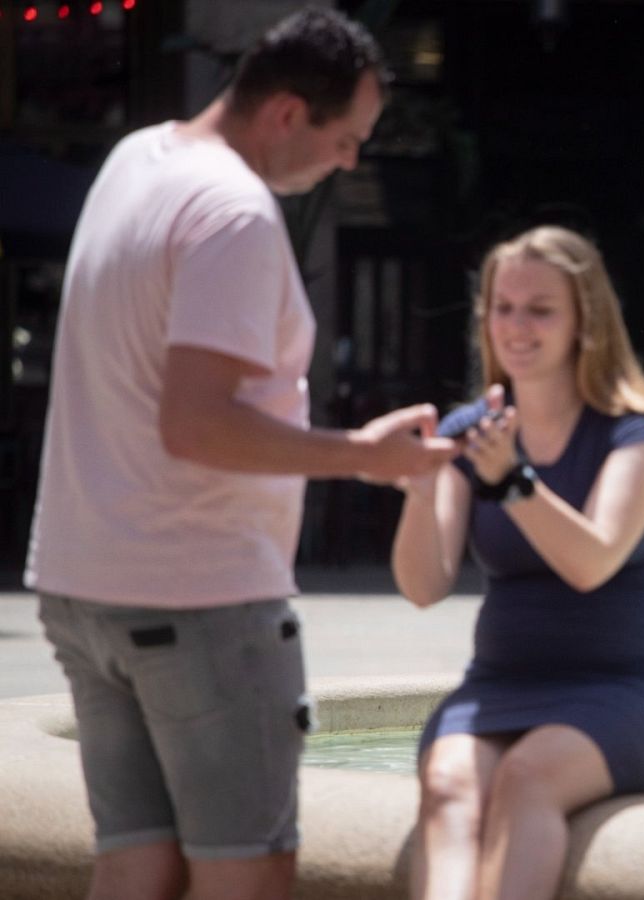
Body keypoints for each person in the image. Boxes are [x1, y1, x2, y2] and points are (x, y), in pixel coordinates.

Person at [24, 9, 459, 900]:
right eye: (346, 140)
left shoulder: (135, 159)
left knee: (133, 864)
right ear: (288, 112)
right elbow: (197, 424)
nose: (348, 163)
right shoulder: (234, 212)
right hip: (199, 596)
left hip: (83, 585)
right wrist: (366, 459)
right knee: (247, 873)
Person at [390, 226, 644, 900]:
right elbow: (423, 587)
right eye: (503, 307)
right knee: (448, 782)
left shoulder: (639, 430)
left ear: (584, 322)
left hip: (624, 693)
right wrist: (421, 495)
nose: (516, 325)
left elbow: (590, 561)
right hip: (499, 684)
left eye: (540, 309)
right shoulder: (467, 432)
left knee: (528, 776)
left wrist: (512, 481)